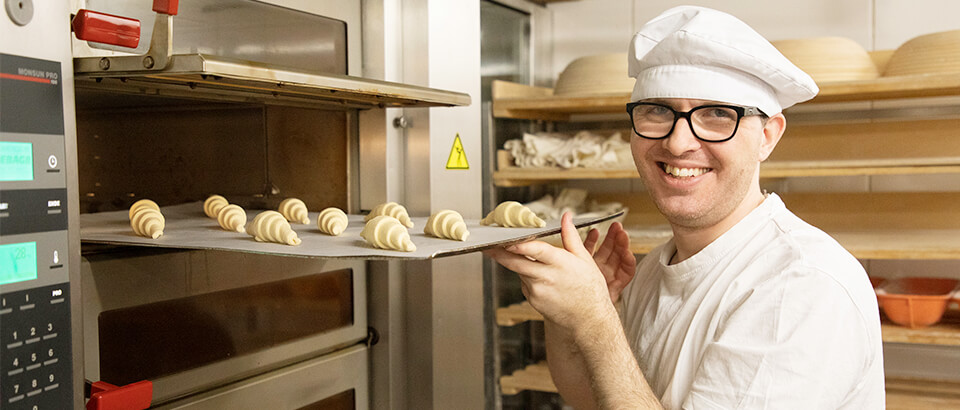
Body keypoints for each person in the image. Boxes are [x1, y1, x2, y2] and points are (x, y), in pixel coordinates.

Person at [484, 5, 884, 409]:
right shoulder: (657, 268)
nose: (677, 143)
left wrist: (595, 321)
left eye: (717, 114)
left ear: (767, 136)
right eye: (658, 111)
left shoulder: (799, 287)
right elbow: (592, 398)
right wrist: (569, 315)